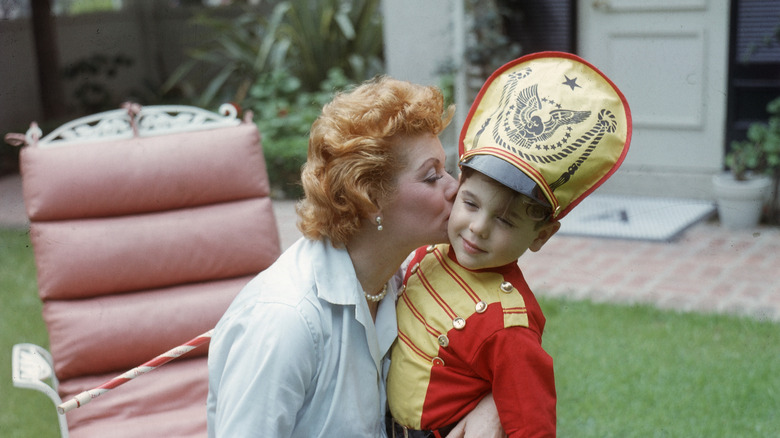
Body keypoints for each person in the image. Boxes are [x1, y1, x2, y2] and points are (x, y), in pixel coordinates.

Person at [207, 76, 503, 437]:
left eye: (446, 170)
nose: (454, 187)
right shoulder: (285, 323)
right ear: (368, 198)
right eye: (431, 177)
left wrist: (493, 406)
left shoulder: (406, 279)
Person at [386, 52, 632, 437]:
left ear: (541, 236)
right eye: (470, 204)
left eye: (505, 220)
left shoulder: (508, 325)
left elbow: (530, 423)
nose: (478, 228)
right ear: (457, 187)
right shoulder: (427, 252)